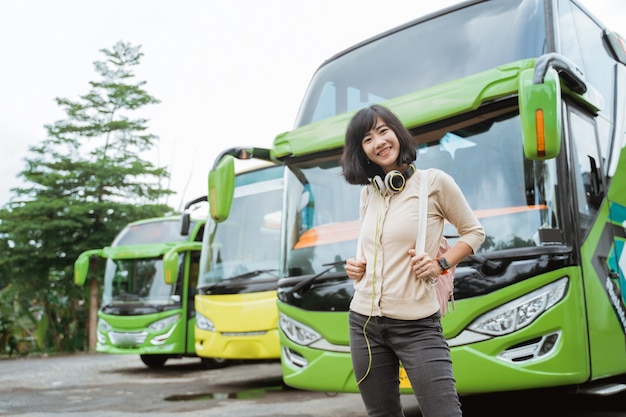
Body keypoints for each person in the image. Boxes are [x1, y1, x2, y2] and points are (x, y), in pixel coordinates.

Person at [341, 104, 485, 417]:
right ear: (362, 152)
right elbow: (375, 249)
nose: (378, 142)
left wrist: (440, 264)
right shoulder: (369, 195)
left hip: (417, 325)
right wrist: (355, 266)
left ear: (397, 134)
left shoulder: (434, 183)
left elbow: (474, 233)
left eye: (383, 131)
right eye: (367, 139)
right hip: (364, 323)